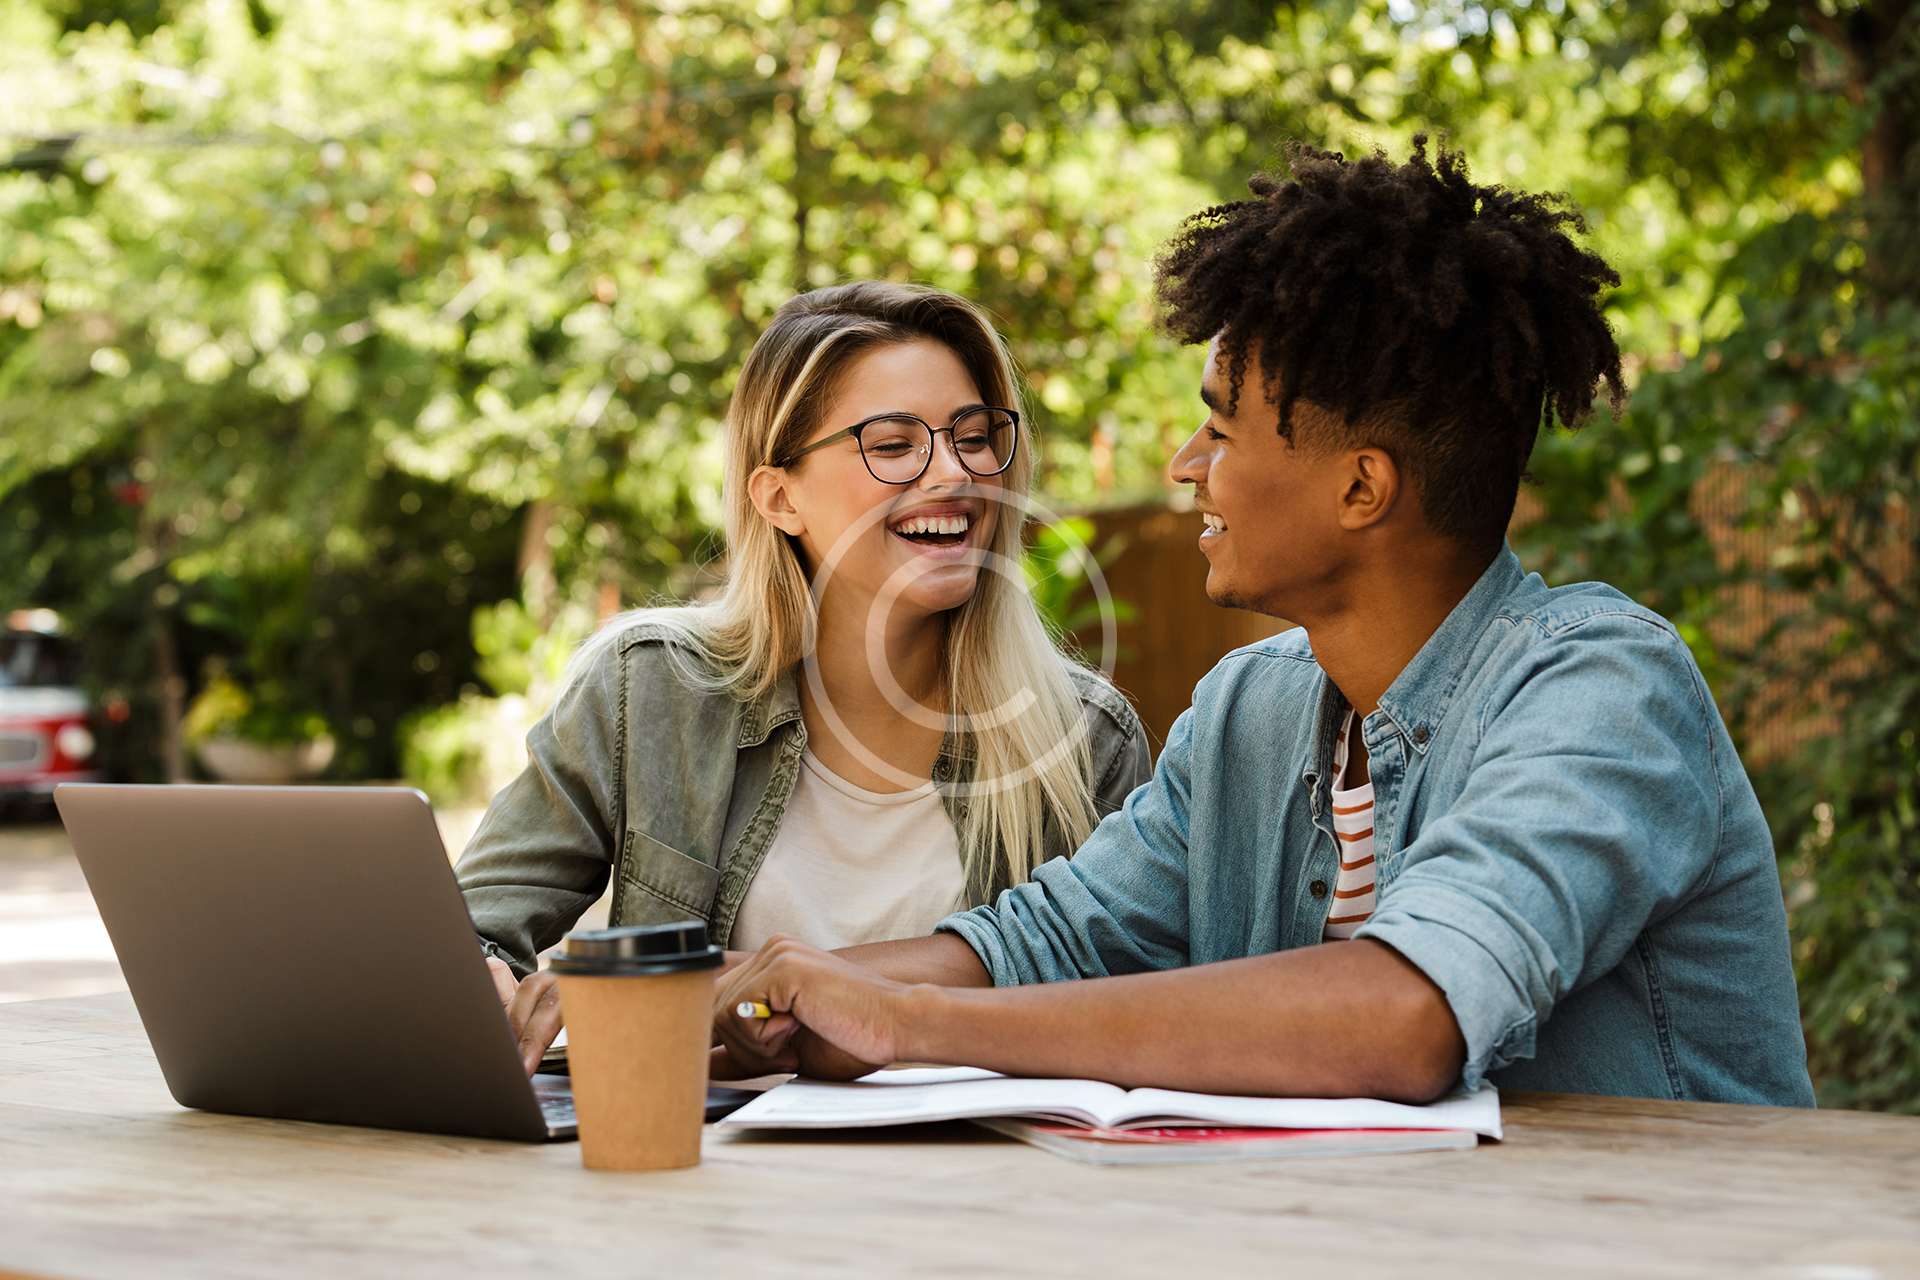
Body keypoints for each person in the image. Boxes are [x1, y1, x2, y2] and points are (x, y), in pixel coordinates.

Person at [710, 139, 1816, 1107]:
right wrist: (764, 992)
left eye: (1221, 430)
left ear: (1360, 489)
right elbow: (1042, 945)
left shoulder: (1604, 691)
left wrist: (907, 1024)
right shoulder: (1252, 708)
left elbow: (1405, 1015)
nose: (1186, 467)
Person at [458, 281, 1151, 1074]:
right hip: (696, 1173)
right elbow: (467, 934)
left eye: (973, 436)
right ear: (780, 496)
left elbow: (1119, 1002)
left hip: (970, 1177)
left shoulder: (1083, 738)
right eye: (893, 445)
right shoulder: (647, 691)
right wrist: (484, 987)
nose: (954, 473)